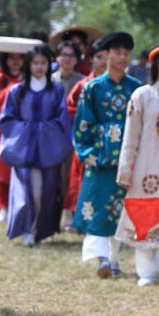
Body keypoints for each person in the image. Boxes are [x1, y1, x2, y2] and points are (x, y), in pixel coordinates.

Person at [72, 32, 143, 278]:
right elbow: (82, 125)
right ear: (106, 55)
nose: (122, 57)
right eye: (117, 52)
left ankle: (113, 258)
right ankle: (102, 258)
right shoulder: (92, 88)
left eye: (126, 53)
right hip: (100, 160)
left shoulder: (137, 89)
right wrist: (103, 141)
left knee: (120, 209)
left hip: (128, 161)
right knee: (99, 207)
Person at [116, 45, 159, 287]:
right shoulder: (141, 95)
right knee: (144, 217)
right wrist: (125, 169)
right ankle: (147, 272)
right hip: (144, 168)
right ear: (154, 65)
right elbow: (130, 136)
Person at [0, 46, 73, 245]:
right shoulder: (17, 91)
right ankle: (27, 229)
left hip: (48, 148)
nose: (39, 67)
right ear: (28, 65)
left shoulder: (56, 90)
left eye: (43, 63)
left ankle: (41, 229)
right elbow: (6, 120)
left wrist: (42, 131)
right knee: (27, 190)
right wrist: (30, 130)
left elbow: (62, 121)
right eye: (35, 63)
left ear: (49, 65)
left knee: (46, 189)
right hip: (25, 149)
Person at [0, 37, 40, 223]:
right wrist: (7, 93)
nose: (15, 61)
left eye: (19, 58)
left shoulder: (32, 81)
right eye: (11, 57)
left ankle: (20, 207)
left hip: (25, 132)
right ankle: (2, 207)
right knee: (0, 170)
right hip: (1, 131)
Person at [63, 40, 108, 228]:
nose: (103, 61)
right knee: (82, 182)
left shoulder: (119, 86)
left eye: (107, 57)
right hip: (87, 143)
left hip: (110, 143)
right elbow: (70, 110)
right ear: (90, 60)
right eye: (99, 57)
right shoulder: (83, 85)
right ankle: (80, 220)